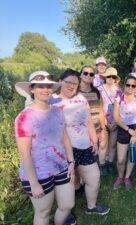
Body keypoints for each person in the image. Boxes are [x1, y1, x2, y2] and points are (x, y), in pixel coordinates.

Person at [14, 71, 76, 225]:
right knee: (43, 212)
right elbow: (25, 153)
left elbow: (65, 137)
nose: (45, 89)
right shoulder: (24, 117)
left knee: (67, 204)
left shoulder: (57, 111)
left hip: (61, 167)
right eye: (40, 86)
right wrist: (34, 183)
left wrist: (71, 161)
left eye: (48, 86)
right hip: (38, 173)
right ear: (32, 89)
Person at [51, 69, 110, 215]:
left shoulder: (81, 99)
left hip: (84, 146)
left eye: (75, 83)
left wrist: (94, 140)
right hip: (63, 150)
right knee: (67, 183)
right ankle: (66, 212)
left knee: (94, 178)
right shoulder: (52, 101)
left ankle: (91, 206)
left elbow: (88, 120)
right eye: (68, 82)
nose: (71, 86)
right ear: (60, 82)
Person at [113, 75, 136, 189]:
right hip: (124, 128)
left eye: (133, 85)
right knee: (121, 159)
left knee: (132, 156)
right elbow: (116, 118)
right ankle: (120, 177)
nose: (130, 87)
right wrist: (128, 130)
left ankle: (127, 177)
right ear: (124, 85)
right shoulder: (118, 99)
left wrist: (135, 133)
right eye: (128, 85)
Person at [79, 66, 107, 176]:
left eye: (91, 74)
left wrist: (103, 128)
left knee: (101, 146)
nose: (88, 76)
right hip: (82, 130)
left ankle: (100, 167)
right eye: (85, 73)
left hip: (97, 126)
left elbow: (100, 110)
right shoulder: (75, 92)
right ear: (80, 75)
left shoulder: (96, 91)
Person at [98, 67, 122, 175]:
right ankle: (102, 165)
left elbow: (122, 107)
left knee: (112, 144)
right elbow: (99, 107)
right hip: (103, 121)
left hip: (115, 121)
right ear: (105, 77)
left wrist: (116, 122)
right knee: (103, 144)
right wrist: (104, 122)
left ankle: (110, 163)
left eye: (113, 77)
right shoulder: (99, 89)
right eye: (109, 76)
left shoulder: (119, 91)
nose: (111, 78)